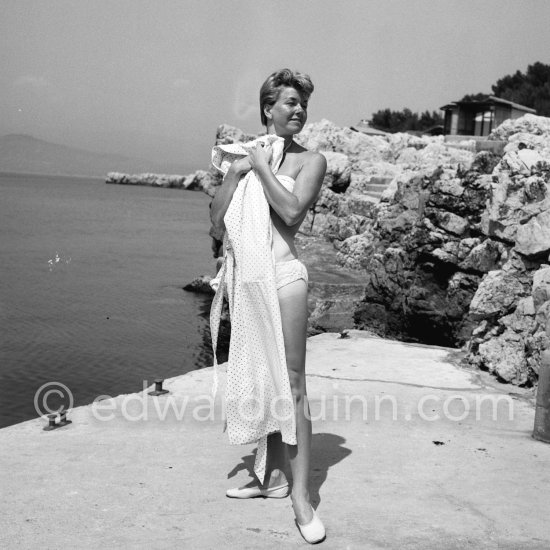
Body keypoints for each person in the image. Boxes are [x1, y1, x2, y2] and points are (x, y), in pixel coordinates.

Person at [209, 68, 327, 543]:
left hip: (283, 277)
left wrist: (260, 167)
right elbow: (218, 222)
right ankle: (272, 478)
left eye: (302, 103)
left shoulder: (311, 160)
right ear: (267, 109)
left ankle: (301, 498)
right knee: (262, 378)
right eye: (289, 103)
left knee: (292, 383)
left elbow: (293, 212)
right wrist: (237, 172)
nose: (298, 110)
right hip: (250, 280)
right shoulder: (242, 158)